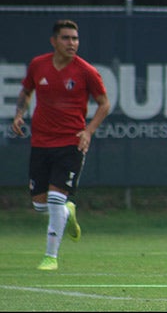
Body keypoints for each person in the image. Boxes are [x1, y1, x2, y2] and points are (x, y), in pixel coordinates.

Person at [12, 19, 110, 271]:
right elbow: (26, 92)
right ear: (54, 41)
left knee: (55, 198)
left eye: (75, 38)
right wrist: (19, 114)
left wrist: (88, 131)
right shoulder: (38, 65)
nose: (72, 43)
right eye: (66, 38)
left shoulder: (86, 71)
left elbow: (104, 103)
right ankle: (67, 211)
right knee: (40, 204)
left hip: (71, 142)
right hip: (41, 142)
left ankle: (50, 256)